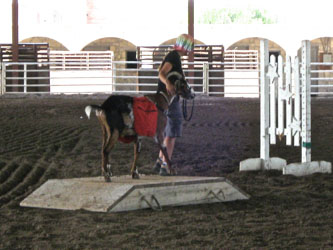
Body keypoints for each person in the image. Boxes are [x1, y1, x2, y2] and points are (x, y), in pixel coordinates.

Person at [153, 34, 194, 176]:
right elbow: (162, 73)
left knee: (169, 129)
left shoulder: (173, 56)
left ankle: (160, 161)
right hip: (169, 99)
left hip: (166, 99)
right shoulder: (174, 57)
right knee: (173, 130)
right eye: (190, 47)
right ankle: (166, 165)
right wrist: (169, 84)